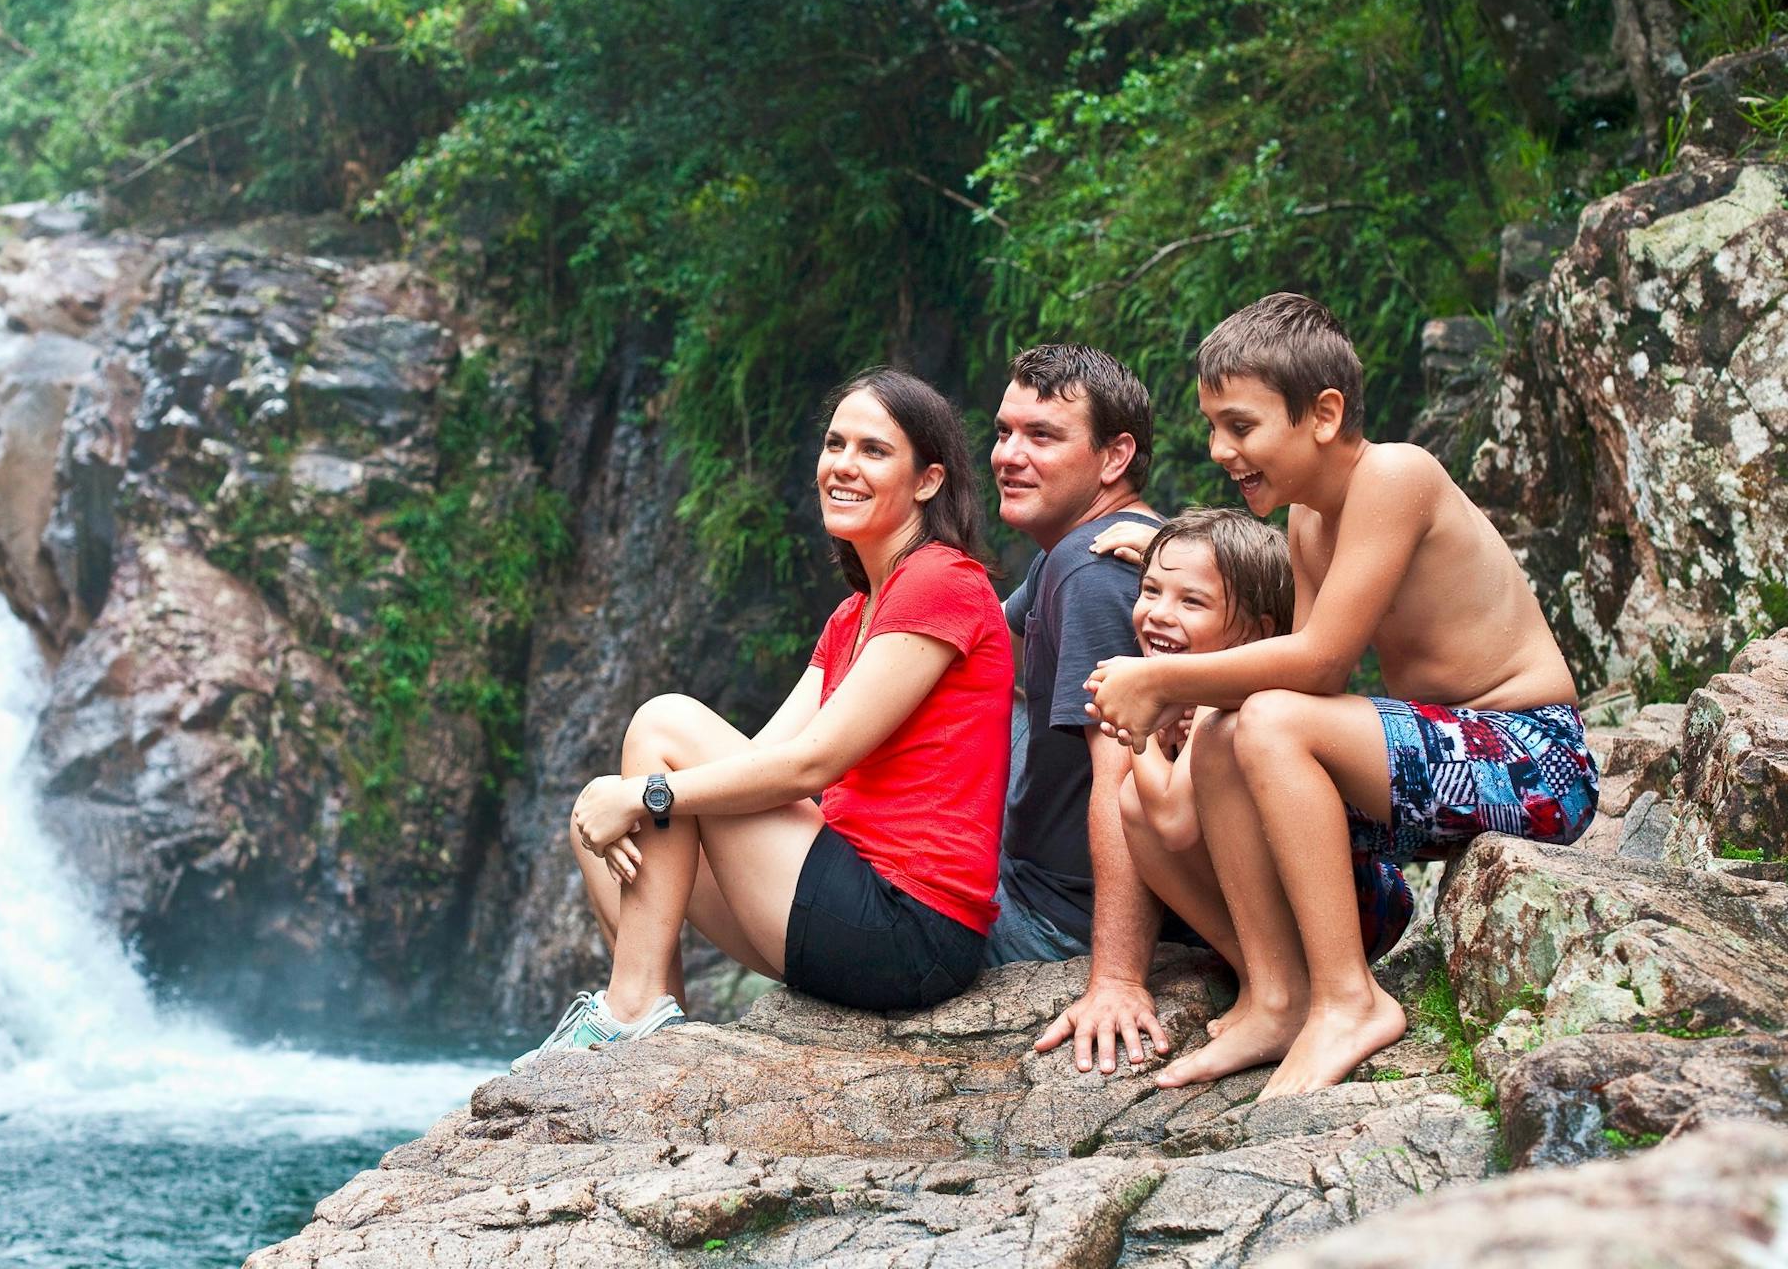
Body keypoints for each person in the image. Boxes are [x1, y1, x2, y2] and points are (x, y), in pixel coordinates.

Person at [1086, 293, 1596, 1097]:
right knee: (1225, 734)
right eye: (1213, 426)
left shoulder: (1397, 475)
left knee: (1269, 721)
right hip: (1430, 771)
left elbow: (1319, 666)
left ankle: (1348, 1000)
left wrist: (1162, 678)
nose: (1220, 448)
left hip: (1532, 757)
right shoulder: (1306, 525)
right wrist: (1163, 570)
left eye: (1241, 426)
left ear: (1323, 414)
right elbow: (1291, 669)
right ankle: (1278, 994)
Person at [516, 367, 1013, 1069]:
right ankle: (652, 1026)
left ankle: (627, 1012)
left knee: (662, 728)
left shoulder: (942, 581)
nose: (843, 465)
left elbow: (812, 764)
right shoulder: (853, 616)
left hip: (910, 929)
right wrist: (629, 799)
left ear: (928, 481)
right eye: (835, 444)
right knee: (595, 814)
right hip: (841, 907)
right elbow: (756, 764)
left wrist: (647, 792)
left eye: (874, 451)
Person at [1112, 507, 1414, 1062]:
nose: (1158, 614)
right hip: (1316, 911)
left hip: (1358, 907)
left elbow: (1174, 820)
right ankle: (1267, 981)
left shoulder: (1227, 698)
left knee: (1135, 797)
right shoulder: (1196, 688)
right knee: (1135, 798)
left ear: (1257, 633)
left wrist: (1128, 736)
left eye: (1192, 602)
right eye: (1151, 590)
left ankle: (1280, 987)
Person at [986, 345, 1169, 1077]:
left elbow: (1122, 777)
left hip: (1053, 920)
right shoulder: (1073, 550)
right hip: (1047, 856)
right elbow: (980, 650)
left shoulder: (1092, 573)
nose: (1008, 455)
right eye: (1003, 432)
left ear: (1115, 455)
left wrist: (1117, 979)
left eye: (1042, 436)